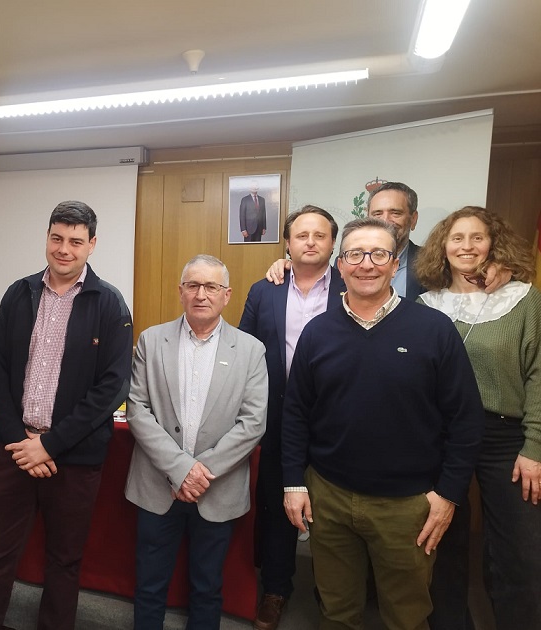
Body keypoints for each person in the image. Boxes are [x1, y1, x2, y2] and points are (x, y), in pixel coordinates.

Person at [281, 217, 486, 629]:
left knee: (405, 615)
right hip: (330, 498)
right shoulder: (317, 333)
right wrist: (293, 484)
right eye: (355, 254)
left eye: (380, 254)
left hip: (408, 505)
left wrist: (448, 495)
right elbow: (296, 413)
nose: (367, 264)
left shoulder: (434, 330)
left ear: (396, 265)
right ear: (340, 265)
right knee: (336, 610)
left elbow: (465, 420)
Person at [0, 200, 133, 630]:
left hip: (71, 459)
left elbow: (111, 388)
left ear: (91, 245)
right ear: (47, 238)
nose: (64, 249)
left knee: (64, 561)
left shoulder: (109, 304)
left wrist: (50, 444)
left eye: (76, 241)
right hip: (16, 450)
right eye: (57, 238)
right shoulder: (19, 293)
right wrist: (18, 440)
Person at [125, 254, 268, 629]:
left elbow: (253, 423)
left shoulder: (251, 350)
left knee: (207, 588)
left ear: (227, 295)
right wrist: (181, 470)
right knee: (150, 585)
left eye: (211, 287)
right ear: (181, 292)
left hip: (216, 490)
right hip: (157, 486)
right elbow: (137, 410)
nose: (201, 294)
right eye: (193, 285)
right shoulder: (151, 340)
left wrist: (201, 472)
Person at [417, 206, 541, 628]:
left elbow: (539, 373)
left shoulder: (524, 299)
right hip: (440, 435)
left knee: (518, 548)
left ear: (494, 244)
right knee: (441, 539)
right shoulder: (425, 305)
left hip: (505, 437)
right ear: (442, 247)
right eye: (457, 238)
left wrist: (535, 446)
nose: (467, 246)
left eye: (477, 237)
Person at [238, 206, 345, 630]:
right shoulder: (265, 289)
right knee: (280, 503)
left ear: (333, 244)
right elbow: (244, 350)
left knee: (333, 506)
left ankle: (335, 593)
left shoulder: (352, 285)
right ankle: (277, 589)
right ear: (287, 243)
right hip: (278, 413)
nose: (311, 242)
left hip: (339, 413)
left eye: (320, 235)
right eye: (301, 235)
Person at [264, 181, 508, 298]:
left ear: (413, 219)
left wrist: (499, 268)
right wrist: (286, 264)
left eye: (396, 213)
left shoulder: (436, 262)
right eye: (377, 214)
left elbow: (471, 269)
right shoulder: (349, 262)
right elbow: (316, 273)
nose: (386, 220)